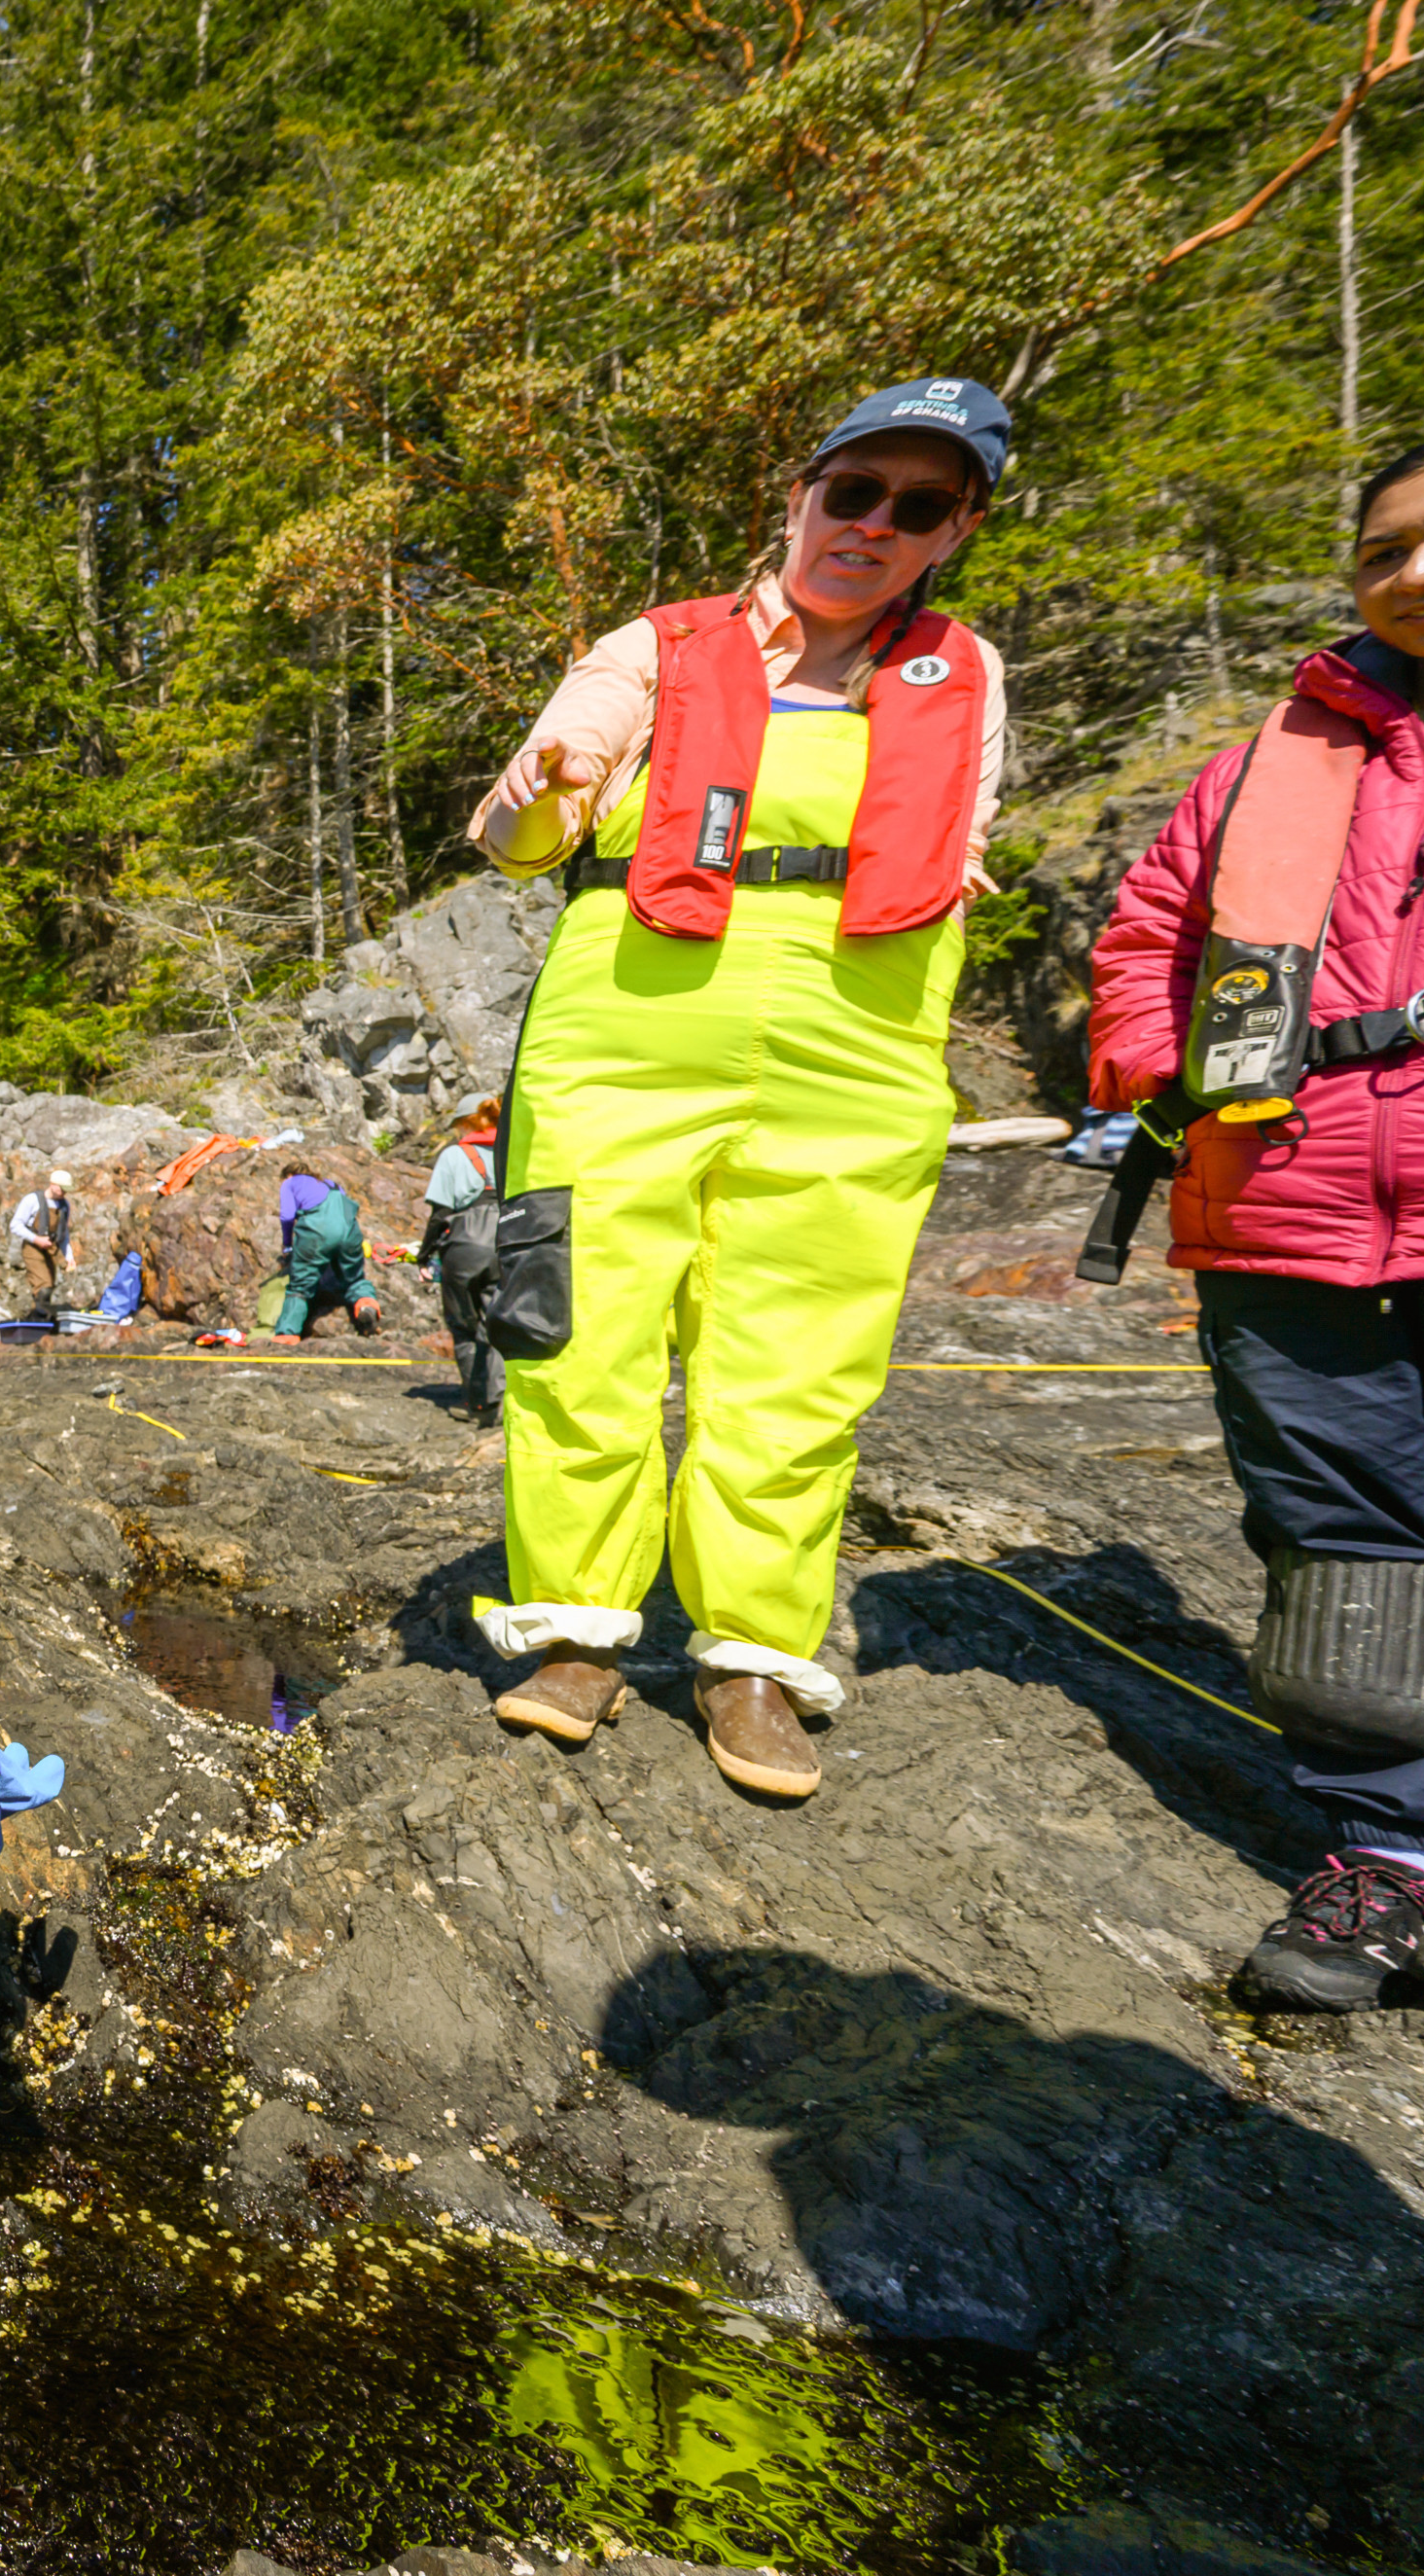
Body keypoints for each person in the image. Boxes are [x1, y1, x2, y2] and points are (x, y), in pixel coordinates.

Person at [465, 376, 1014, 1802]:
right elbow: (516, 839)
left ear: (953, 531)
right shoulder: (654, 647)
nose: (876, 523)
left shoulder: (970, 673)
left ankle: (753, 1656)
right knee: (579, 1329)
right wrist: (546, 780)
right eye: (855, 490)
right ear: (799, 495)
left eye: (920, 505)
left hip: (860, 1041)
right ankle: (581, 1631)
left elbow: (962, 846)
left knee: (800, 1360)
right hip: (629, 1026)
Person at [1086, 412, 1424, 2011]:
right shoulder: (1265, 769)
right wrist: (1155, 1072)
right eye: (1386, 549)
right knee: (1342, 1558)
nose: (1421, 570)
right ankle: (1391, 1861)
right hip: (1284, 1211)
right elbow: (1145, 938)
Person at [422, 1098, 506, 1424]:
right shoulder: (510, 1152)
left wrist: (425, 1253)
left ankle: (478, 1405)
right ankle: (500, 1403)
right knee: (498, 1324)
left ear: (468, 1123)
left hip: (464, 1246)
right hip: (505, 1242)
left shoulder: (455, 1156)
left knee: (465, 1327)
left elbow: (440, 1214)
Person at [267, 1174, 382, 1341]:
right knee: (354, 1278)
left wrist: (287, 1245)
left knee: (299, 1288)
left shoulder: (290, 1183)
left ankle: (287, 1334)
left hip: (317, 1232)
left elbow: (287, 1216)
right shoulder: (332, 1184)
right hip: (350, 1231)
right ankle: (366, 1303)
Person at [11, 1168, 76, 1310]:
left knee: (50, 1286)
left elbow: (64, 1234)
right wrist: (36, 1239)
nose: (65, 1193)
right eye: (62, 1189)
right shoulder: (32, 1200)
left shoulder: (65, 1205)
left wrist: (69, 1256)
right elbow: (15, 1225)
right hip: (33, 1249)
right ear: (53, 1185)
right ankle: (40, 1320)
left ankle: (41, 1319)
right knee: (43, 1286)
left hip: (51, 1250)